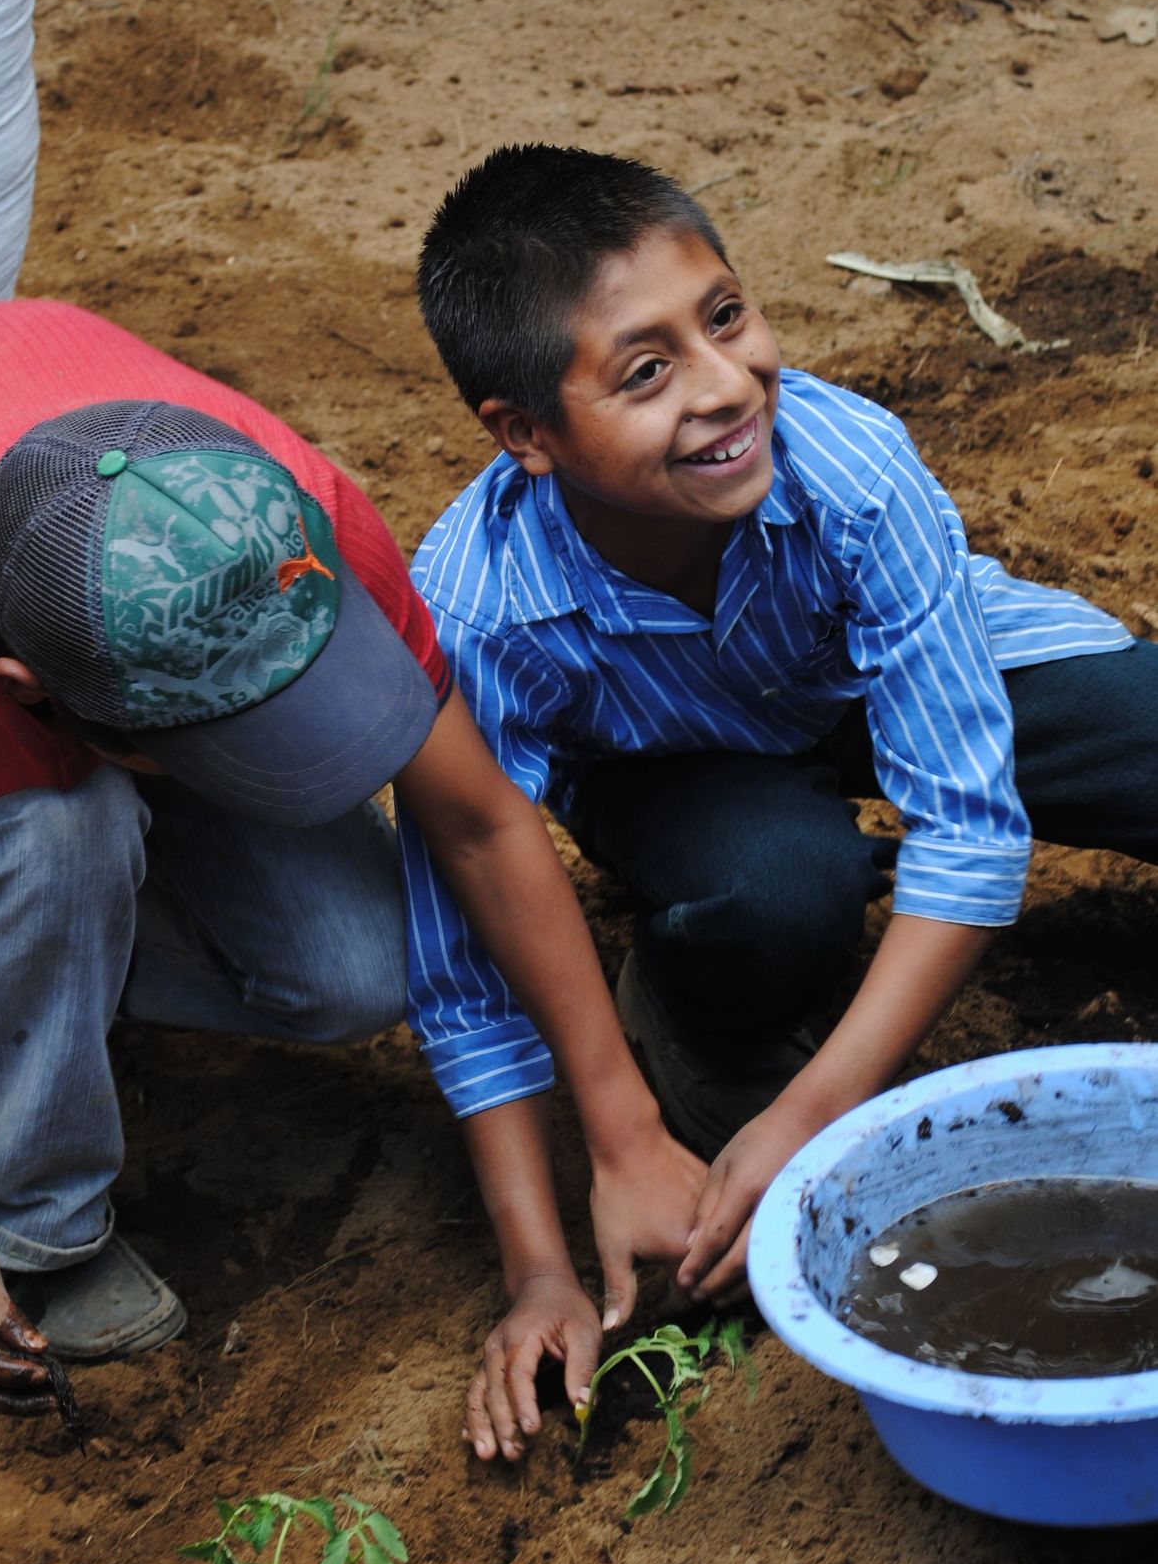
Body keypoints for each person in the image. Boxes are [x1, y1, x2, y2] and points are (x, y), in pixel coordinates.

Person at [0, 294, 685, 1422]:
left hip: (22, 410)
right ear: (37, 699)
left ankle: (54, 965)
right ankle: (24, 1222)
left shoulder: (287, 517)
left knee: (360, 965)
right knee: (57, 826)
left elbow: (480, 823)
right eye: (226, 742)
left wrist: (624, 1132)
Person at [404, 142, 1156, 1463]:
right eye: (645, 372)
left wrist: (814, 1113)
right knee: (776, 887)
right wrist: (541, 1264)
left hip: (872, 675)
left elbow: (968, 823)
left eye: (727, 317)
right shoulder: (477, 606)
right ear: (524, 433)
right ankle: (691, 1020)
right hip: (670, 762)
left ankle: (779, 1076)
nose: (724, 385)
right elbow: (461, 952)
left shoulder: (847, 463)